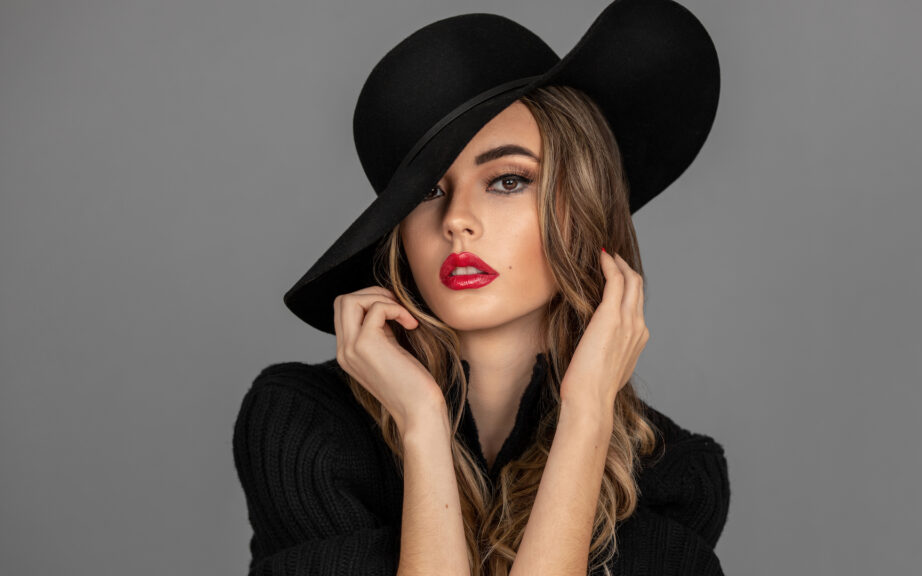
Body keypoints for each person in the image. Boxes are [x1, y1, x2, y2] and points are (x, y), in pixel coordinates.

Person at [232, 1, 729, 575]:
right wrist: (422, 427)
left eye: (507, 180)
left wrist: (588, 417)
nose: (456, 220)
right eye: (426, 191)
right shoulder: (306, 427)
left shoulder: (674, 478)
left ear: (583, 208)